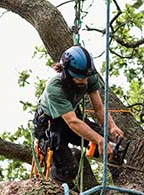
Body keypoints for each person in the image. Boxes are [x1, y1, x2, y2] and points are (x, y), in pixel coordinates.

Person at [33, 45, 124, 186]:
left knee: (110, 146)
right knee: (69, 169)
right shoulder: (55, 88)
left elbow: (99, 108)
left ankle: (122, 180)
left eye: (86, 78)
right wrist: (99, 140)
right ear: (66, 74)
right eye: (80, 78)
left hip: (72, 118)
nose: (85, 82)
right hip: (51, 125)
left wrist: (112, 127)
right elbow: (72, 122)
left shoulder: (88, 76)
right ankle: (55, 180)